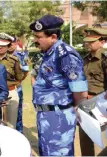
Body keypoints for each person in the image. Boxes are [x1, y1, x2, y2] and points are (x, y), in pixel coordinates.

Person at [30, 15, 88, 156]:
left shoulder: (65, 55)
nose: (35, 40)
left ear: (53, 37)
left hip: (59, 117)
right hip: (46, 116)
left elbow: (80, 91)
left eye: (38, 37)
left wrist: (74, 110)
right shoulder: (49, 53)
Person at [80, 27, 107, 156]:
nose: (88, 44)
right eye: (87, 41)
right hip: (86, 103)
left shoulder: (105, 59)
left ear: (102, 41)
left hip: (102, 103)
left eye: (92, 41)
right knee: (85, 137)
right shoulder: (85, 59)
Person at [0, 32, 23, 128]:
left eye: (3, 45)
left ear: (8, 47)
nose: (0, 47)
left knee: (10, 125)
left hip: (10, 93)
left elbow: (19, 78)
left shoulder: (14, 60)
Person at [13, 39, 30, 133]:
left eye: (12, 43)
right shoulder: (1, 57)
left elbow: (26, 70)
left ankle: (19, 134)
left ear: (15, 44)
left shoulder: (21, 56)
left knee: (18, 113)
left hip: (17, 88)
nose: (11, 45)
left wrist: (19, 81)